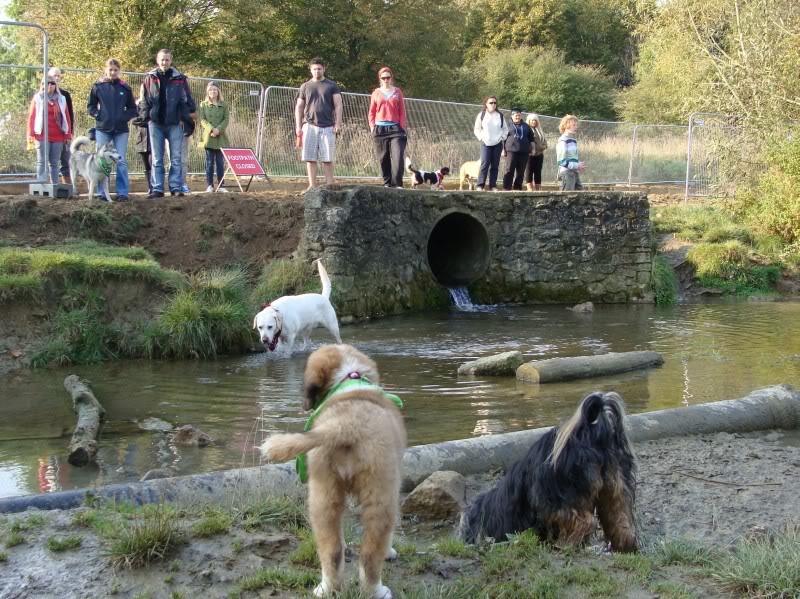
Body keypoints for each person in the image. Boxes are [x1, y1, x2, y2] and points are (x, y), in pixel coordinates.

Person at [139, 48, 196, 198]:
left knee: (175, 158)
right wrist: (147, 117)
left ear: (171, 60)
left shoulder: (180, 79)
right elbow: (144, 100)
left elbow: (186, 100)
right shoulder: (149, 78)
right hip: (156, 123)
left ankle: (175, 187)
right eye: (162, 59)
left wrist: (185, 118)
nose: (164, 62)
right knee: (157, 158)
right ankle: (157, 188)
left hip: (174, 123)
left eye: (167, 60)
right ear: (157, 60)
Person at [87, 59, 137, 201]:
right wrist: (98, 115)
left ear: (119, 71)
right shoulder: (98, 86)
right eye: (111, 70)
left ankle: (122, 192)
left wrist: (124, 117)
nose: (113, 72)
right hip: (103, 129)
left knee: (120, 160)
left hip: (121, 130)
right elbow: (90, 106)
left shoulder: (125, 88)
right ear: (106, 70)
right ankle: (102, 193)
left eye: (116, 70)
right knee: (102, 160)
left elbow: (133, 108)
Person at [295, 57, 342, 191]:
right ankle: (312, 186)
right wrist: (299, 127)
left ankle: (329, 185)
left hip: (328, 126)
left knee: (327, 158)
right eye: (314, 69)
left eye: (319, 69)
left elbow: (338, 105)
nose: (317, 71)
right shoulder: (305, 86)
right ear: (311, 70)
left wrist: (338, 124)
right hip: (309, 126)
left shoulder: (332, 85)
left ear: (324, 69)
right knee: (310, 158)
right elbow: (299, 107)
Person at [26, 77, 72, 185]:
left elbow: (67, 118)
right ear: (42, 85)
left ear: (56, 85)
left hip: (58, 136)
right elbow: (32, 116)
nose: (49, 85)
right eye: (46, 83)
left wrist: (67, 135)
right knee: (42, 161)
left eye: (52, 83)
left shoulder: (62, 98)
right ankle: (41, 185)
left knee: (54, 163)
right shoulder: (37, 98)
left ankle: (54, 186)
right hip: (42, 135)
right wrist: (30, 133)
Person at [368, 66, 407, 188]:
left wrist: (402, 127)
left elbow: (402, 111)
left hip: (396, 129)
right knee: (383, 158)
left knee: (398, 156)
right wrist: (372, 127)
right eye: (383, 78)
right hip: (379, 129)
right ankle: (387, 183)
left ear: (391, 78)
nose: (386, 80)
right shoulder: (376, 93)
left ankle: (397, 184)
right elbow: (372, 112)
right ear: (380, 78)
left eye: (388, 77)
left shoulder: (397, 92)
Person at [198, 81, 230, 193]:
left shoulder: (224, 104)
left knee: (220, 162)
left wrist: (218, 130)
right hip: (208, 137)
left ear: (218, 91)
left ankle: (221, 186)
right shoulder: (203, 104)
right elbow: (202, 119)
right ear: (207, 91)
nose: (213, 91)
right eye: (211, 90)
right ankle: (210, 185)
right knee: (209, 162)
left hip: (220, 137)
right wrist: (212, 129)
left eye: (215, 89)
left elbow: (226, 120)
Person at [473, 96, 508, 191]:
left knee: (495, 166)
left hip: (497, 144)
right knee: (484, 164)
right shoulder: (482, 115)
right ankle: (480, 185)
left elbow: (505, 129)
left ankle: (493, 186)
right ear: (486, 104)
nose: (493, 104)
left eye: (495, 103)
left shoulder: (500, 115)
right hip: (485, 143)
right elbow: (477, 129)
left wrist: (501, 138)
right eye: (491, 103)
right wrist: (482, 138)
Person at [48, 67, 74, 185]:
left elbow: (70, 115)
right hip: (47, 134)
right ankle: (50, 183)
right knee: (49, 160)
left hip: (63, 133)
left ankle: (67, 184)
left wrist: (70, 132)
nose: (57, 78)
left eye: (59, 76)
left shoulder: (65, 95)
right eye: (54, 76)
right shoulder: (40, 95)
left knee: (66, 158)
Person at [502, 107, 535, 191]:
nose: (518, 117)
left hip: (524, 151)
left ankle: (517, 188)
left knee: (521, 171)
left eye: (519, 115)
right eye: (516, 115)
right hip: (511, 150)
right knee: (509, 170)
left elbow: (531, 138)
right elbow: (503, 138)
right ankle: (506, 188)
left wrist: (533, 148)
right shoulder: (507, 125)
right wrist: (502, 149)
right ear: (512, 115)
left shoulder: (526, 126)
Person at [557, 114, 585, 191]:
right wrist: (577, 165)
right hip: (567, 173)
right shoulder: (563, 140)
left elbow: (572, 157)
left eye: (576, 125)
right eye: (574, 125)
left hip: (574, 172)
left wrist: (579, 164)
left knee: (581, 197)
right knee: (567, 198)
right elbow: (561, 161)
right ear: (566, 125)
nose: (576, 127)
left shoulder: (573, 140)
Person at [132, 100, 153, 196]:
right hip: (141, 139)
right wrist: (145, 120)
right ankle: (150, 187)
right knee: (146, 166)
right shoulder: (137, 106)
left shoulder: (152, 102)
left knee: (153, 162)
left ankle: (155, 186)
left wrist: (144, 119)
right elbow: (134, 120)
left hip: (153, 138)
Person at [525, 113, 548, 191]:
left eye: (535, 120)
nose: (534, 122)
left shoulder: (540, 131)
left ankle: (538, 188)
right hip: (529, 154)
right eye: (532, 120)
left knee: (538, 171)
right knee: (529, 171)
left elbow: (545, 143)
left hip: (540, 154)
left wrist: (542, 147)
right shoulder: (526, 130)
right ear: (529, 121)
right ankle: (529, 188)